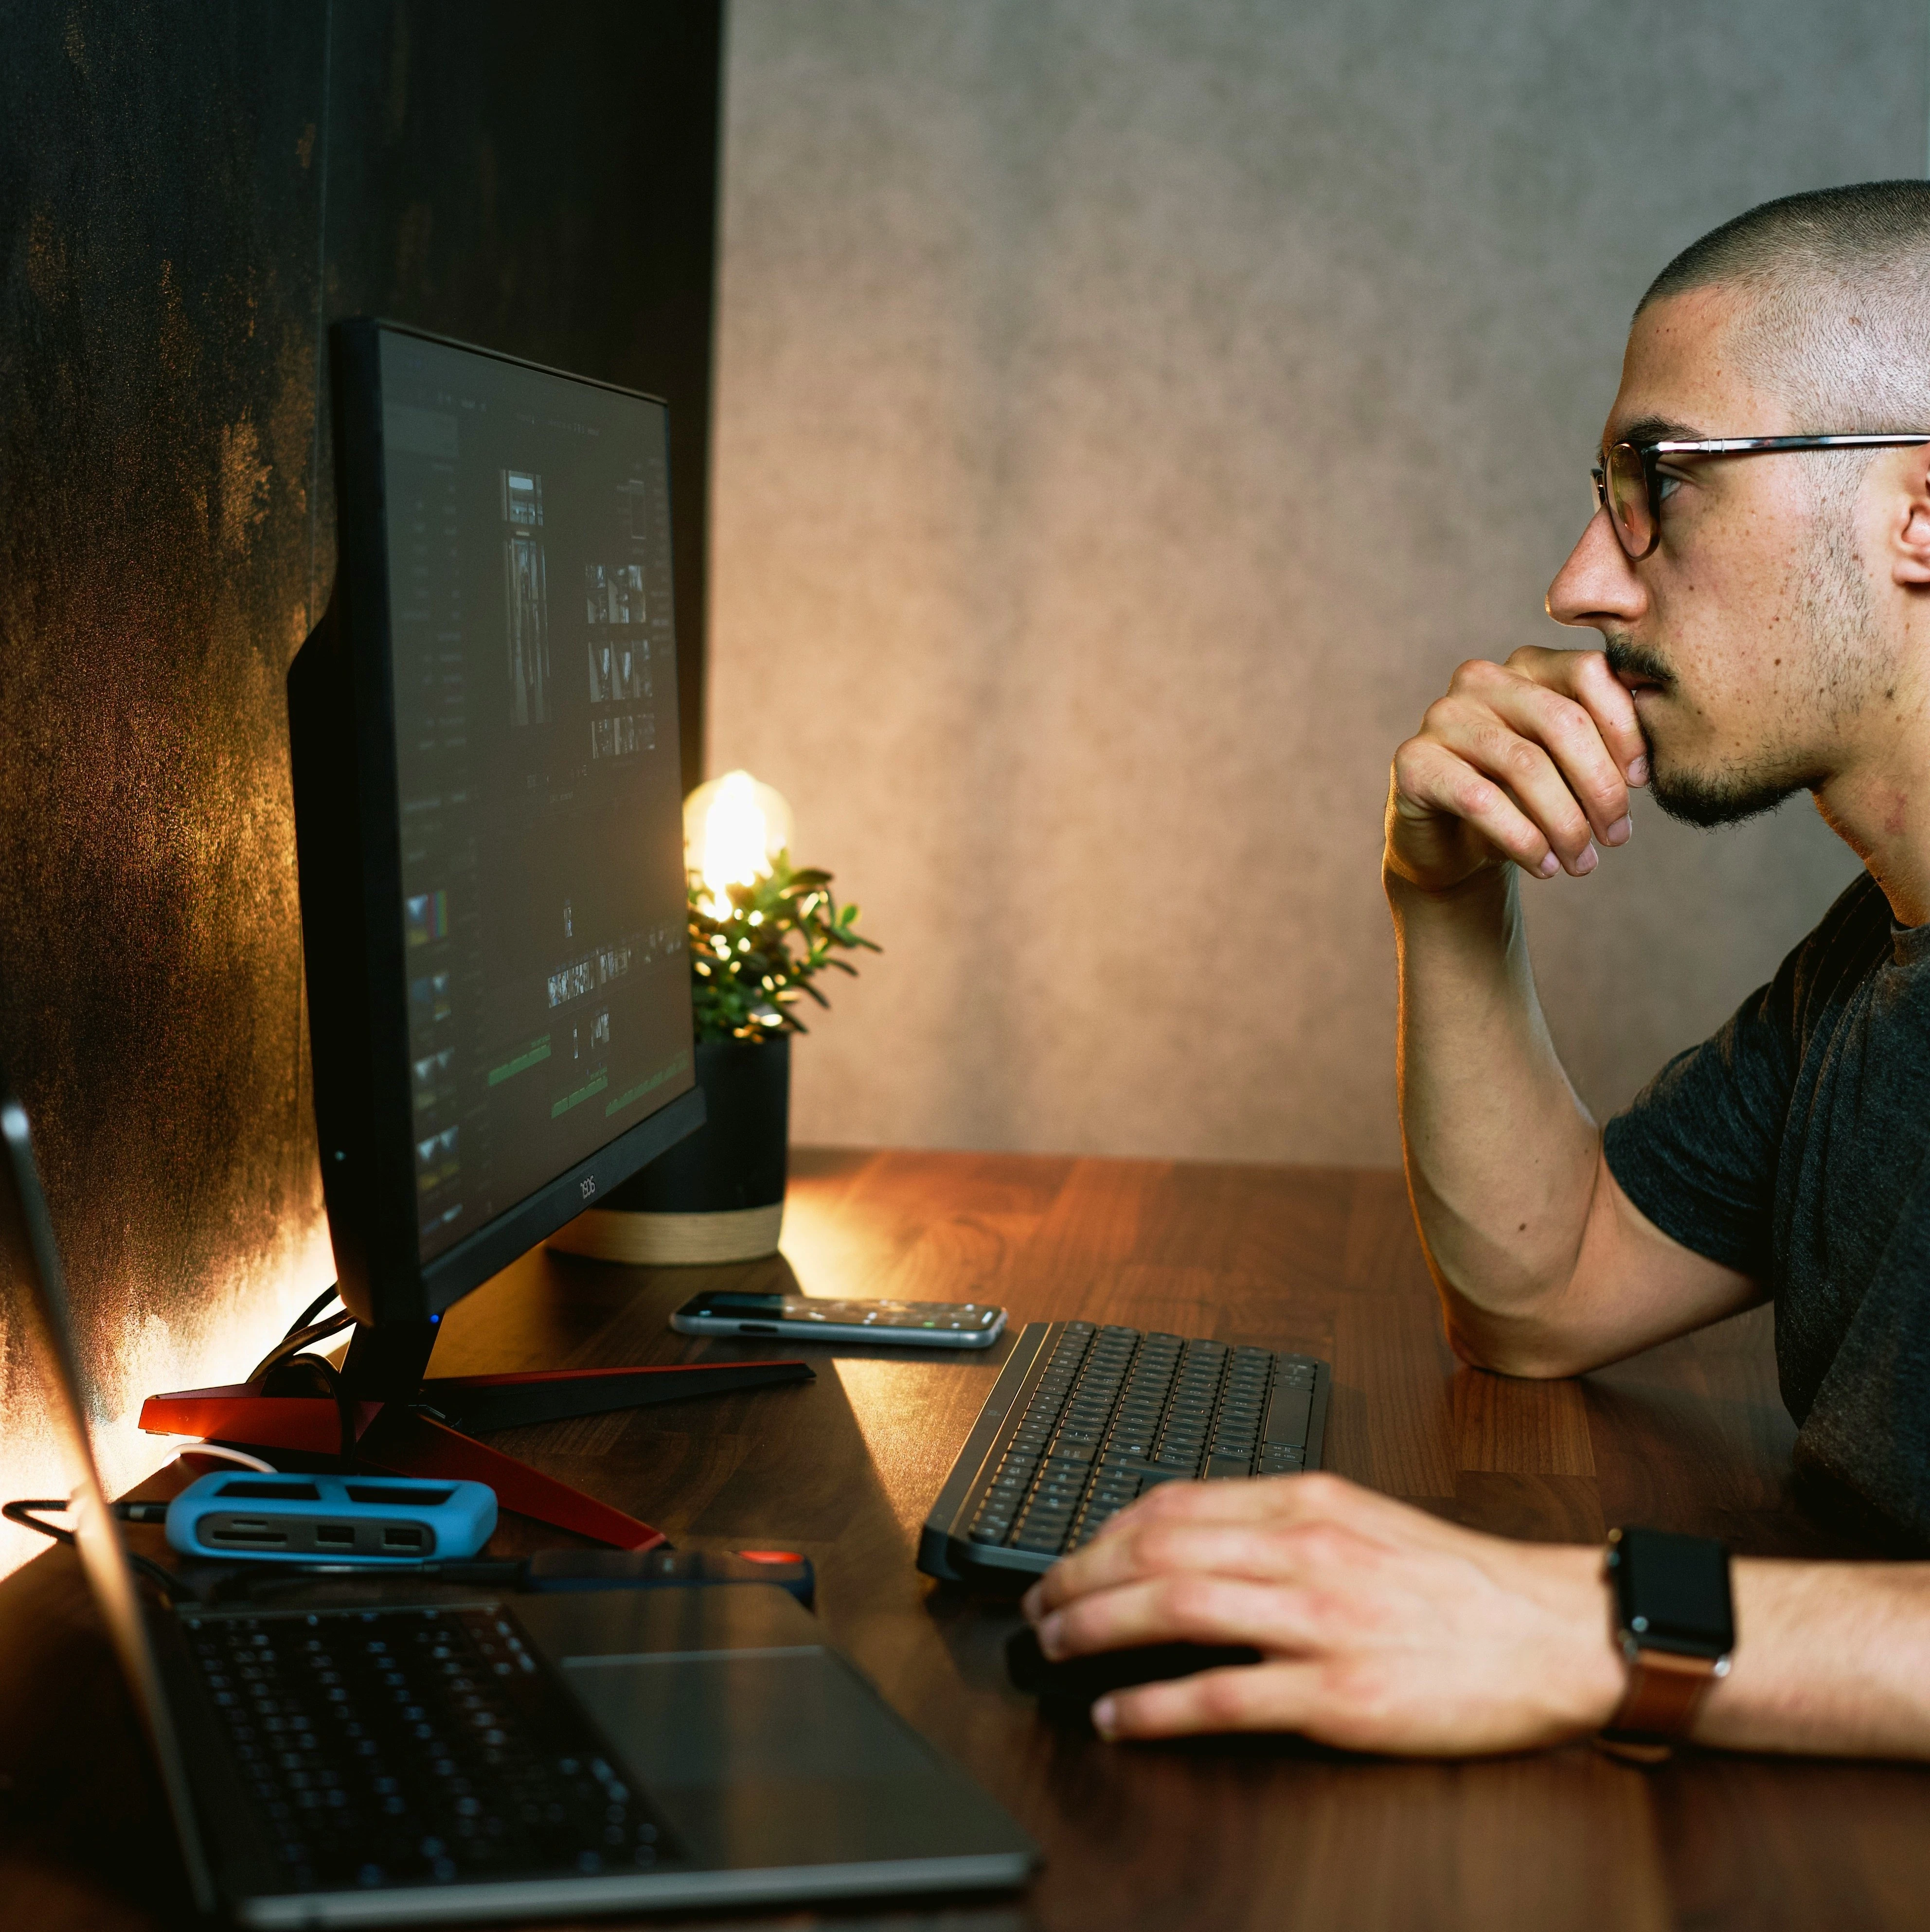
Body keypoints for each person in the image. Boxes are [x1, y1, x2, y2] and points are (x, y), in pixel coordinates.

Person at [1022, 181, 1930, 1758]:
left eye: (1661, 481)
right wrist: (1444, 892)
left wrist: (1579, 1625)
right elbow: (1545, 1286)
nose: (1581, 580)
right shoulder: (1875, 959)